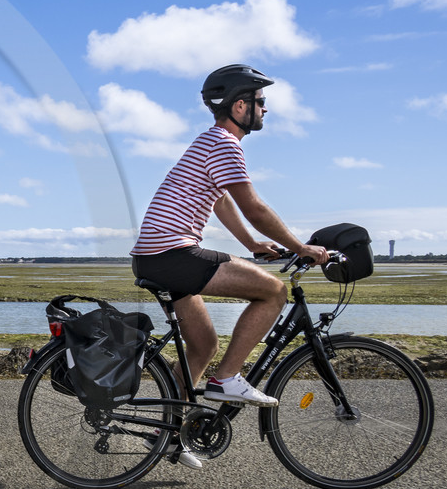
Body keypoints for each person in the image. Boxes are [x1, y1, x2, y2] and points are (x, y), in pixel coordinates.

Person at [130, 64, 329, 464]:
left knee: (203, 344)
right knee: (274, 290)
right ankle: (225, 380)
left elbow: (220, 199)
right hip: (171, 253)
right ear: (240, 105)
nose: (265, 110)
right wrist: (301, 247)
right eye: (260, 102)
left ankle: (167, 435)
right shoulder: (224, 143)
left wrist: (253, 245)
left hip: (156, 254)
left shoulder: (210, 143)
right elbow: (252, 206)